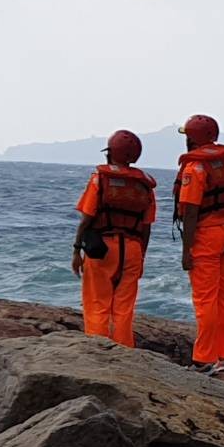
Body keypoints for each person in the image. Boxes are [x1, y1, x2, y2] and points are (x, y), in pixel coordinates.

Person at [70, 130, 157, 347]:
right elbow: (146, 227)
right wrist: (142, 257)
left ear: (110, 153)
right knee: (124, 307)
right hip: (134, 250)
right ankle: (124, 351)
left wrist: (76, 250)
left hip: (102, 249)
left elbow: (86, 219)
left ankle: (98, 351)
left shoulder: (100, 179)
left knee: (97, 303)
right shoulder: (145, 186)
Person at [174, 114, 224, 380]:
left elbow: (190, 213)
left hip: (208, 235)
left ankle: (204, 359)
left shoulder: (195, 169)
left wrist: (186, 250)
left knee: (205, 299)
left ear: (193, 138)